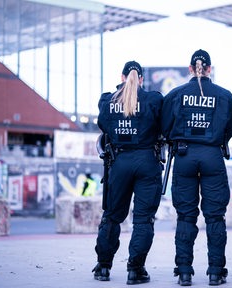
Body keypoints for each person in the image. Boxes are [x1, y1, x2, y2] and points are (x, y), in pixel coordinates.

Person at [162, 49, 232, 286]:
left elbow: (165, 126)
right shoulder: (224, 96)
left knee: (185, 216)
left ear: (190, 69)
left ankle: (184, 271)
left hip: (184, 156)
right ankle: (216, 272)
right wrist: (218, 139)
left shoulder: (176, 94)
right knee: (215, 216)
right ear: (209, 69)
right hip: (212, 155)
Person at [92, 60, 164, 285]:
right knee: (143, 219)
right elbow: (163, 126)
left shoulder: (107, 100)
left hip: (120, 162)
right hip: (147, 161)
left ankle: (103, 266)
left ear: (122, 77)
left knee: (112, 216)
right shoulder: (153, 100)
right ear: (141, 79)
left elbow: (103, 126)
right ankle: (135, 269)